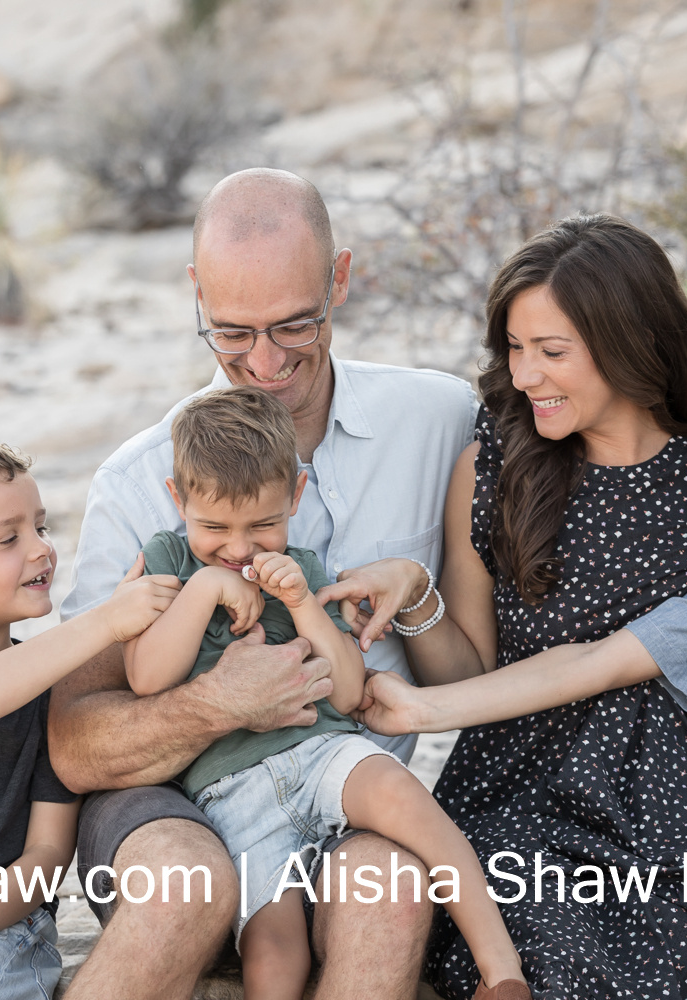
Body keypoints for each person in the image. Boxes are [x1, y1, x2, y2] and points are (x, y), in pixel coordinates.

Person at [49, 167, 479, 1000]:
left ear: (341, 280)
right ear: (196, 294)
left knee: (388, 893)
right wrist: (216, 702)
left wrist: (418, 595)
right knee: (183, 882)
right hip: (171, 801)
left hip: (343, 789)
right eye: (231, 333)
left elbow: (473, 672)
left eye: (294, 325)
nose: (266, 363)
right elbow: (72, 744)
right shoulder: (138, 482)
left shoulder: (441, 420)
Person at [318, 214, 687, 999]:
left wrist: (421, 708)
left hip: (674, 802)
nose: (525, 377)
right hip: (526, 796)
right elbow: (480, 674)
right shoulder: (494, 468)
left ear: (632, 342)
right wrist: (421, 602)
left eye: (552, 352)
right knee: (551, 955)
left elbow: (601, 660)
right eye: (515, 350)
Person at [124, 385, 531, 1000]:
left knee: (407, 801)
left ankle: (500, 971)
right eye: (214, 527)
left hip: (323, 756)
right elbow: (146, 678)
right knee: (271, 944)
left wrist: (301, 604)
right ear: (177, 500)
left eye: (264, 524)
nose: (239, 549)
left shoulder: (306, 568)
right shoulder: (166, 560)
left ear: (295, 495)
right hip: (231, 793)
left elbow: (345, 695)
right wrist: (204, 587)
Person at [0, 439, 173, 998]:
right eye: (9, 538)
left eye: (41, 528)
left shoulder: (54, 690)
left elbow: (47, 858)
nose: (41, 549)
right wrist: (105, 621)